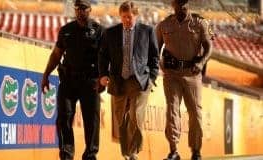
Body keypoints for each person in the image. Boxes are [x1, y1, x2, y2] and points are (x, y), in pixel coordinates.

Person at [41, 0, 104, 159]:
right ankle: (67, 154)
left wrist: (103, 78)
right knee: (64, 117)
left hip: (91, 82)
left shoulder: (99, 31)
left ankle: (90, 155)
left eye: (83, 8)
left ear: (90, 9)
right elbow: (56, 54)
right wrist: (46, 75)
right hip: (68, 81)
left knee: (92, 121)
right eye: (77, 8)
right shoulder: (66, 30)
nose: (80, 11)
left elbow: (106, 58)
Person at [98, 1, 159, 160]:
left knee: (136, 116)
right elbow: (103, 56)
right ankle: (126, 152)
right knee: (121, 119)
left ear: (136, 16)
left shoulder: (147, 31)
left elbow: (154, 57)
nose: (127, 20)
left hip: (139, 80)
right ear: (120, 16)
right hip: (118, 81)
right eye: (124, 17)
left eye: (130, 17)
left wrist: (151, 78)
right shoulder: (110, 33)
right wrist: (103, 74)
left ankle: (133, 152)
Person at [156, 0, 213, 160]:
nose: (181, 5)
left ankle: (196, 151)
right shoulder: (164, 25)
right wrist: (160, 64)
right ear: (173, 5)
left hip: (192, 73)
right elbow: (155, 47)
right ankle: (173, 150)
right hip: (171, 74)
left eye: (184, 2)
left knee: (195, 112)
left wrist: (201, 63)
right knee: (172, 110)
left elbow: (209, 46)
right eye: (178, 3)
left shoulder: (200, 23)